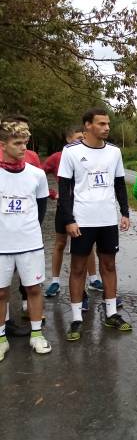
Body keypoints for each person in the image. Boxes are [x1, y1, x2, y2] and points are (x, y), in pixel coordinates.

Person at [57, 108, 132, 341]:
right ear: (88, 125)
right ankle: (77, 318)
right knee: (78, 268)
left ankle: (111, 313)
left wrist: (125, 212)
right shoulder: (71, 151)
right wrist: (69, 219)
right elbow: (64, 189)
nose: (107, 127)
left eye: (108, 124)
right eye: (101, 124)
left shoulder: (114, 152)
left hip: (107, 219)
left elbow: (119, 184)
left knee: (109, 265)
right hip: (82, 219)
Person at [0, 118, 52, 361]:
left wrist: (27, 230)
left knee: (33, 288)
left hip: (30, 243)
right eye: (17, 143)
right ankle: (1, 339)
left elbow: (41, 208)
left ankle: (37, 335)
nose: (23, 148)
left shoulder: (37, 174)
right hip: (2, 244)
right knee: (1, 293)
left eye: (25, 143)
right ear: (3, 145)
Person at [43, 127, 101, 300]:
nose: (81, 140)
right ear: (68, 139)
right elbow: (37, 175)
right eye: (78, 138)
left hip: (84, 207)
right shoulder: (57, 157)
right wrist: (52, 193)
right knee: (60, 243)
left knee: (87, 245)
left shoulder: (90, 154)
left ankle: (93, 279)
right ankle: (55, 281)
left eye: (83, 137)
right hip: (65, 208)